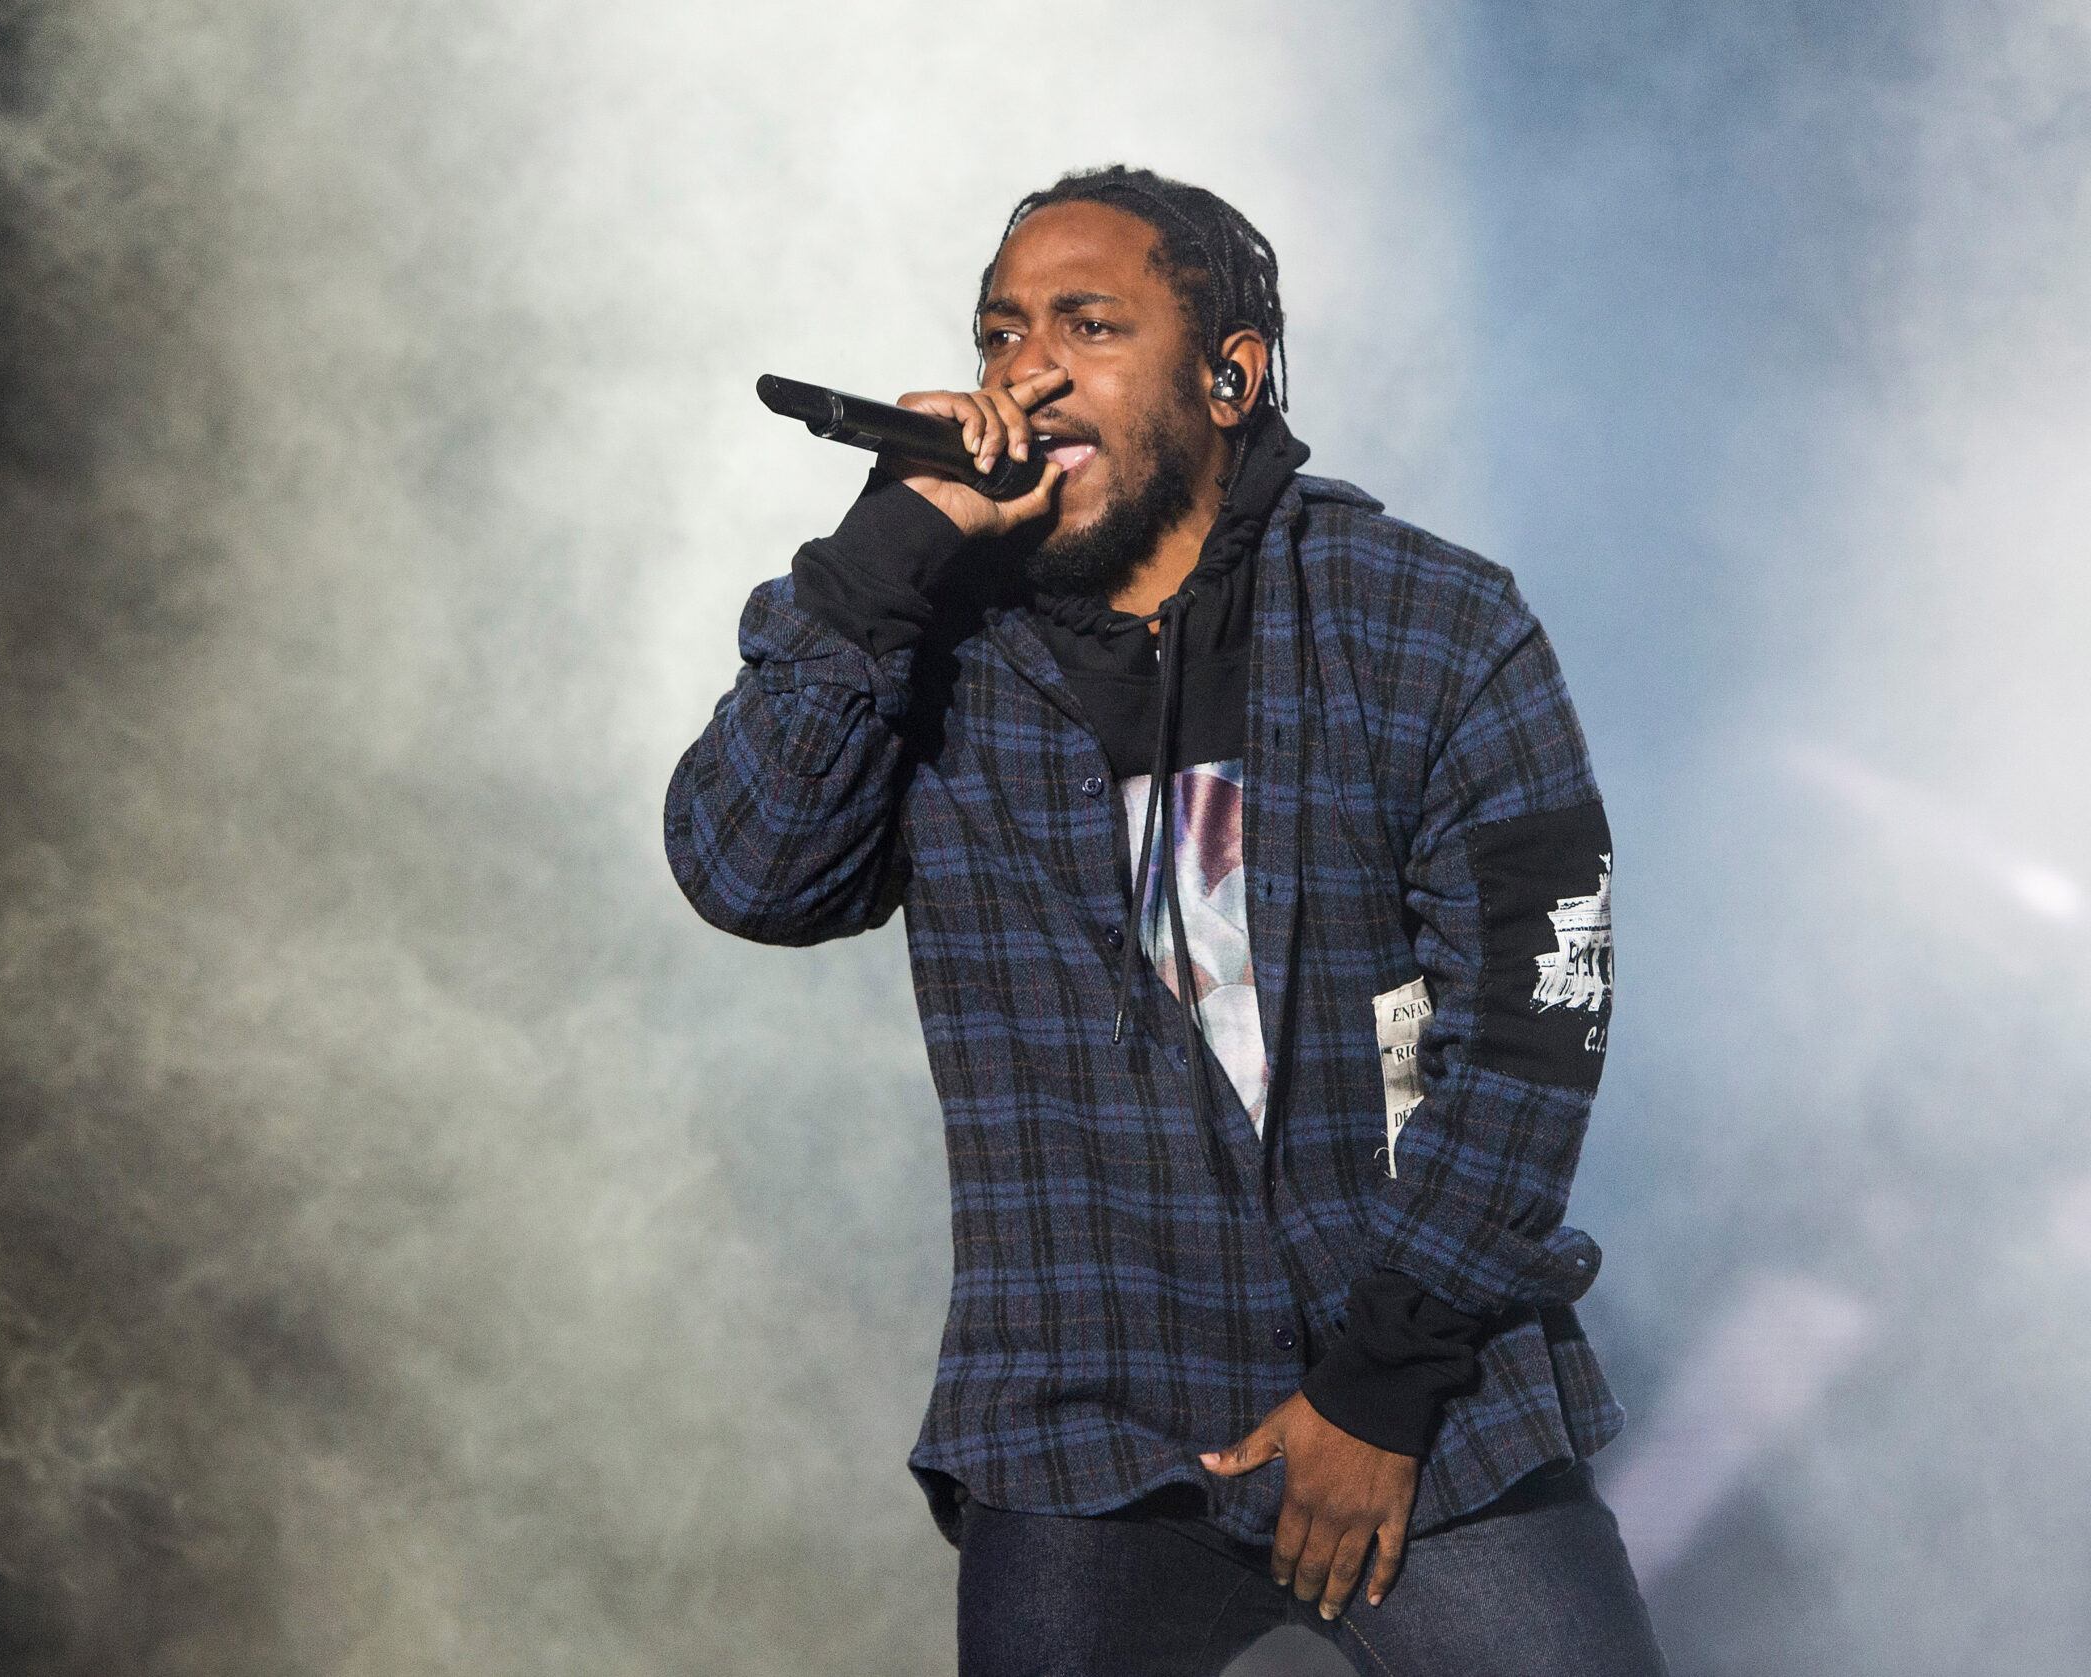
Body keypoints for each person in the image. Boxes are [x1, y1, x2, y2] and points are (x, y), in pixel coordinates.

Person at [666, 165, 1666, 1676]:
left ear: (1229, 376)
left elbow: (1539, 1024)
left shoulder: (1436, 625)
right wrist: (885, 550)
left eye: (1090, 322)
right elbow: (748, 868)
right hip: (1083, 1422)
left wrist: (1383, 1383)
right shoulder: (931, 641)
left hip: (1421, 1396)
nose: (1030, 365)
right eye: (1003, 331)